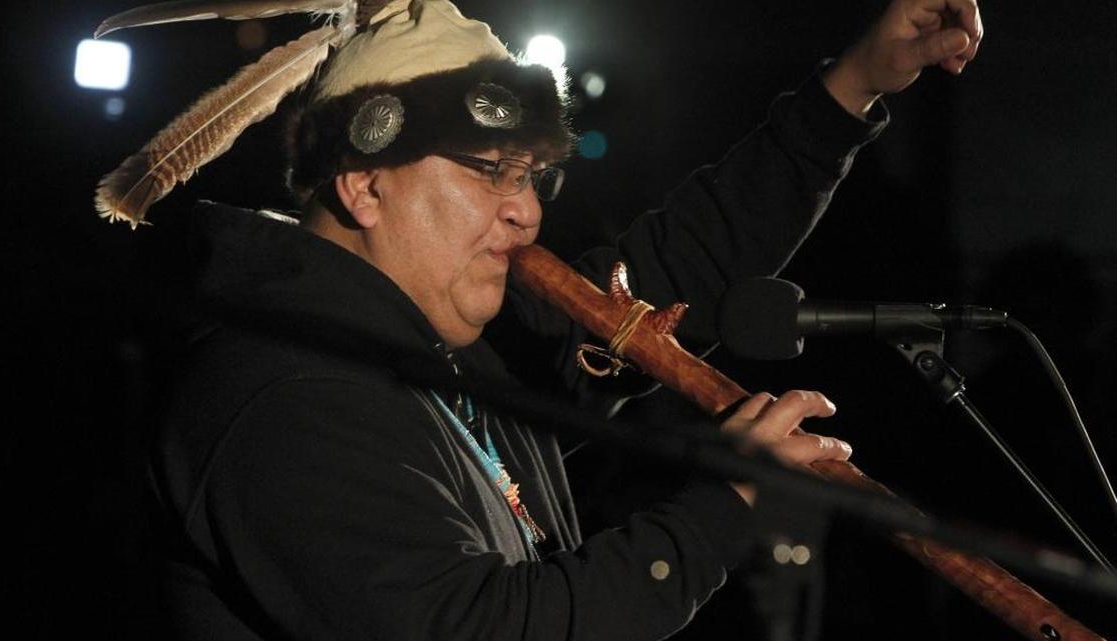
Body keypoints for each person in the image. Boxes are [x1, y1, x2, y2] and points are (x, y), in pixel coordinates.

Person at [127, 0, 983, 638]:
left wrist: (854, 87)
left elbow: (674, 266)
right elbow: (477, 629)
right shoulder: (282, 390)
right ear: (364, 183)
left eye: (533, 176)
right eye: (491, 171)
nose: (526, 213)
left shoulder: (438, 355)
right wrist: (725, 507)